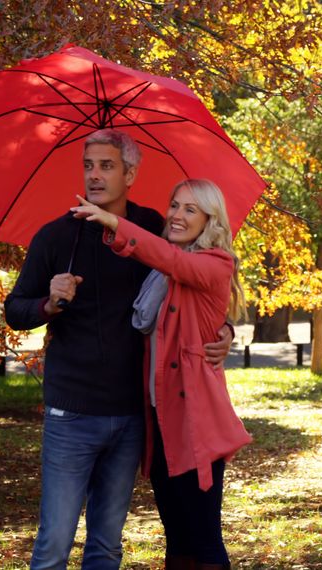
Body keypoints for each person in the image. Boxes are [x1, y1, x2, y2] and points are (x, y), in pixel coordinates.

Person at [4, 130, 233, 570]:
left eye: (106, 165)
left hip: (133, 415)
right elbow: (14, 310)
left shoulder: (153, 231)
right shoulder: (55, 237)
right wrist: (48, 304)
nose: (94, 175)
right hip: (71, 411)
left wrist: (223, 330)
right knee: (54, 544)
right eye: (88, 165)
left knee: (107, 546)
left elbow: (193, 284)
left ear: (130, 174)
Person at [71, 179, 253, 570]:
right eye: (174, 205)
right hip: (160, 420)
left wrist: (115, 222)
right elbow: (161, 265)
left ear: (210, 220)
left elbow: (177, 265)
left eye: (190, 209)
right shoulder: (162, 270)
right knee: (177, 537)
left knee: (204, 539)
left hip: (194, 422)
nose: (176, 215)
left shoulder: (213, 263)